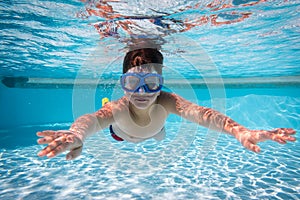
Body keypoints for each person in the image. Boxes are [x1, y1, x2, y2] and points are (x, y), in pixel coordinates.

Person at [37, 48, 296, 160]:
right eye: (132, 83)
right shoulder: (117, 108)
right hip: (122, 135)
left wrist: (241, 131)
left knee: (159, 135)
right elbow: (92, 120)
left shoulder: (167, 101)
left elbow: (204, 115)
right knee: (116, 124)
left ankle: (156, 131)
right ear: (123, 84)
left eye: (151, 82)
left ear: (161, 83)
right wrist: (76, 134)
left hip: (155, 131)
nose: (142, 92)